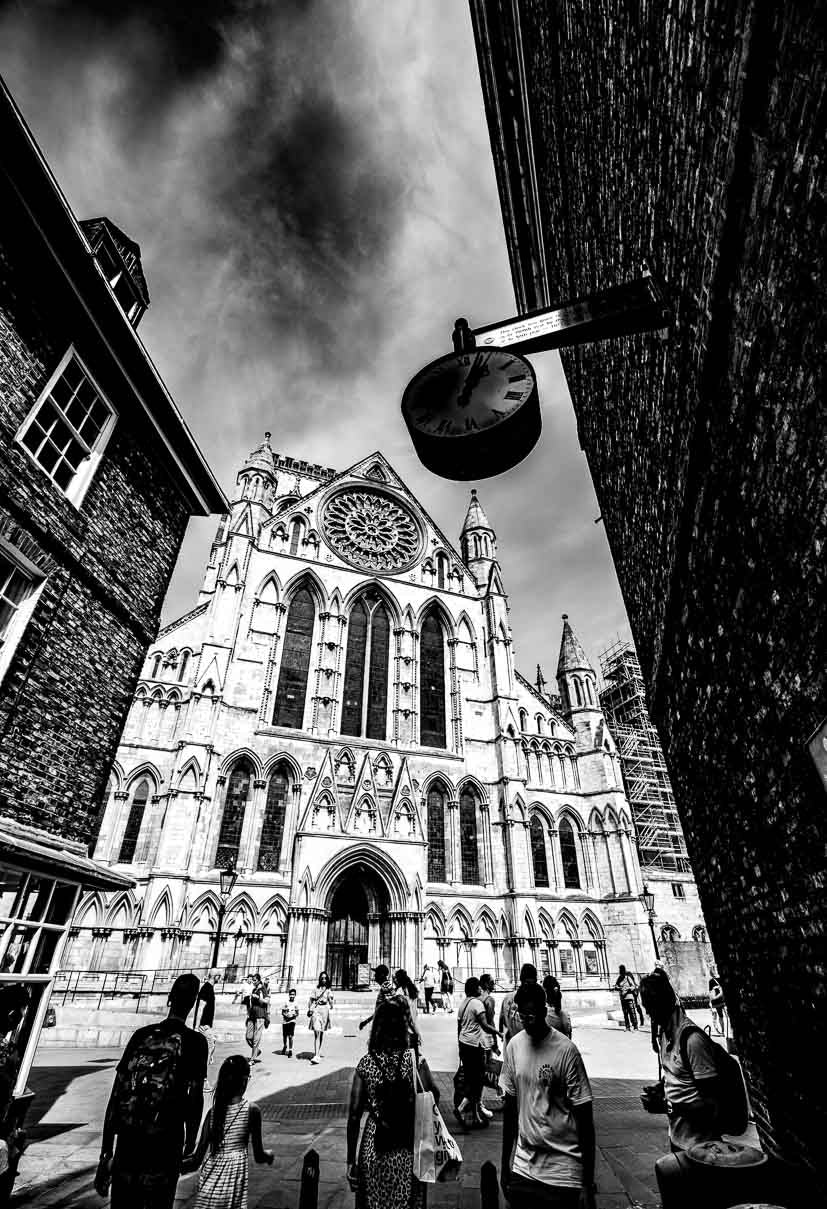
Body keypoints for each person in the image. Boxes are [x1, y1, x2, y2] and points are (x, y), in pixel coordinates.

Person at [95, 973, 208, 1209]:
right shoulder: (196, 1042)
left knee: (124, 1203)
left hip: (129, 1138)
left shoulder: (141, 1035)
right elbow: (195, 1095)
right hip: (165, 1140)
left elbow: (117, 1093)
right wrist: (191, 1138)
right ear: (194, 1002)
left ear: (170, 998)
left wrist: (106, 1152)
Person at [500, 981, 596, 1209]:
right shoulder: (514, 1046)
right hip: (524, 1166)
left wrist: (586, 1182)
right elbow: (511, 1110)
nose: (526, 1022)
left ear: (544, 1012)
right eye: (522, 1016)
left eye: (531, 1016)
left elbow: (585, 1120)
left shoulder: (566, 1051)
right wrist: (506, 1165)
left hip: (563, 1169)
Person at [346, 998, 438, 1209]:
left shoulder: (366, 1063)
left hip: (373, 1145)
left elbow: (353, 1116)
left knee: (372, 1202)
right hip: (407, 1144)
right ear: (402, 1027)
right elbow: (434, 1096)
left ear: (377, 1028)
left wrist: (351, 1160)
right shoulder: (415, 1060)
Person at [640, 969, 724, 1152]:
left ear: (662, 1004)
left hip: (702, 1145)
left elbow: (711, 1104)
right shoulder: (665, 1035)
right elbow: (678, 1075)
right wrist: (662, 1088)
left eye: (649, 1006)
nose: (647, 1012)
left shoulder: (692, 1041)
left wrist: (668, 1106)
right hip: (678, 1139)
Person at [182, 1054, 273, 1207]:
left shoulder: (213, 1113)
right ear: (244, 1081)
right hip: (231, 1186)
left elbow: (196, 1160)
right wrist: (269, 1155)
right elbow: (259, 1156)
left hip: (209, 1187)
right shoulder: (252, 1111)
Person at [455, 976, 501, 1127]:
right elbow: (486, 1025)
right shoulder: (477, 1003)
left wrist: (459, 1046)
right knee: (478, 1079)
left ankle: (476, 1117)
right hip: (474, 1045)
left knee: (470, 1078)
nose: (481, 988)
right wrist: (498, 1034)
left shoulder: (463, 1003)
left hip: (463, 1044)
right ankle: (462, 1108)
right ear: (476, 988)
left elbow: (459, 1027)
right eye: (478, 986)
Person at [499, 963, 538, 1047]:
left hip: (511, 1046)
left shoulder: (507, 998)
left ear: (520, 979)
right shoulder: (536, 1000)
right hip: (528, 1048)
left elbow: (502, 1024)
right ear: (535, 979)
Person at [358, 964, 396, 1034]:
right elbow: (380, 1011)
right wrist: (366, 1022)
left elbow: (391, 1008)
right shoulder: (385, 986)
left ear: (381, 975)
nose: (374, 976)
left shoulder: (386, 987)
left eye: (376, 974)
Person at [308, 971, 334, 1064]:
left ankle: (318, 1053)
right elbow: (310, 1000)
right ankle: (316, 1055)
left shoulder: (328, 990)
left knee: (321, 1033)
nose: (323, 980)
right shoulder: (315, 989)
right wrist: (310, 1009)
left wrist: (331, 1000)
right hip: (316, 1010)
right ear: (320, 979)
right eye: (322, 978)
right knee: (317, 1031)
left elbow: (331, 1005)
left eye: (325, 978)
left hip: (324, 1012)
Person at [195, 981, 217, 1089]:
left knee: (210, 1048)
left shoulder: (209, 988)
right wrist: (196, 1025)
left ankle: (202, 1078)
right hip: (203, 1026)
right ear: (216, 976)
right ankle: (202, 1080)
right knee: (208, 1049)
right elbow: (200, 1007)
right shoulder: (207, 988)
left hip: (206, 1025)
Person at [393, 969, 423, 1049]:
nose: (394, 980)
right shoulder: (412, 991)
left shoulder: (400, 993)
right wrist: (417, 1032)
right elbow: (413, 1015)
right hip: (412, 1029)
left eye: (395, 978)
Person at [245, 975, 269, 1065]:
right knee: (248, 1036)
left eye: (254, 980)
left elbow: (267, 1001)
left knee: (256, 1039)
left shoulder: (263, 988)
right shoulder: (254, 989)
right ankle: (257, 1051)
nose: (253, 982)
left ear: (259, 980)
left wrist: (259, 998)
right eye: (252, 980)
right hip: (252, 1015)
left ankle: (252, 1059)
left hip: (260, 1015)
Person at [614, 964, 639, 1031]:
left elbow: (634, 986)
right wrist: (618, 988)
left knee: (632, 1012)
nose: (621, 972)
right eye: (620, 971)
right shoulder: (619, 978)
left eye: (621, 970)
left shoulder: (628, 977)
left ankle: (635, 1026)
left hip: (629, 997)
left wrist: (628, 989)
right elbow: (616, 986)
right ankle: (627, 1027)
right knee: (625, 1013)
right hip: (622, 998)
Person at [280, 988, 299, 1057]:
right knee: (285, 1036)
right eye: (291, 994)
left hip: (292, 1021)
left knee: (290, 1036)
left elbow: (297, 1013)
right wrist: (286, 1015)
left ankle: (290, 1050)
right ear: (289, 995)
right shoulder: (286, 1002)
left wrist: (293, 1015)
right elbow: (282, 1012)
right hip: (285, 1021)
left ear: (295, 995)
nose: (292, 996)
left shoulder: (296, 1003)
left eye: (293, 994)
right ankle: (285, 1046)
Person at [709, 972, 727, 1036]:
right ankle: (723, 1031)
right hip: (717, 1003)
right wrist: (710, 1003)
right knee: (721, 1016)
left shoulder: (722, 979)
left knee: (727, 1016)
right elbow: (710, 993)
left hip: (724, 1001)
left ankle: (726, 1031)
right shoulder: (711, 981)